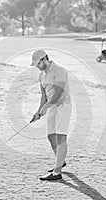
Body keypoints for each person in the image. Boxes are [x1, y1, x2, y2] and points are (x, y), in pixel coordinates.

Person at [30, 49, 72, 181]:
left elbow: (58, 93)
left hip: (63, 106)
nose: (37, 67)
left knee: (61, 137)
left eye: (38, 64)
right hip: (52, 107)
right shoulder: (41, 75)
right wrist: (38, 111)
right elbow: (44, 96)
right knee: (50, 136)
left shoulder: (60, 70)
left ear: (44, 59)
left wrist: (44, 109)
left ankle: (57, 172)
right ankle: (60, 161)